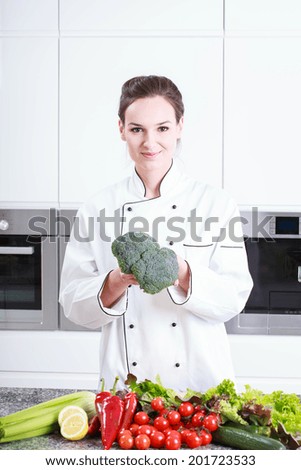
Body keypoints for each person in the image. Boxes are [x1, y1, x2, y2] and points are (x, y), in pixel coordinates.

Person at [59, 75, 253, 392]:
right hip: (126, 391)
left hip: (201, 387)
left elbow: (234, 298)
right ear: (121, 129)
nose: (150, 142)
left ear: (179, 126)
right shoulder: (98, 208)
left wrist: (182, 272)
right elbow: (73, 303)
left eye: (162, 128)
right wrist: (116, 281)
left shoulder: (215, 203)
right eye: (137, 129)